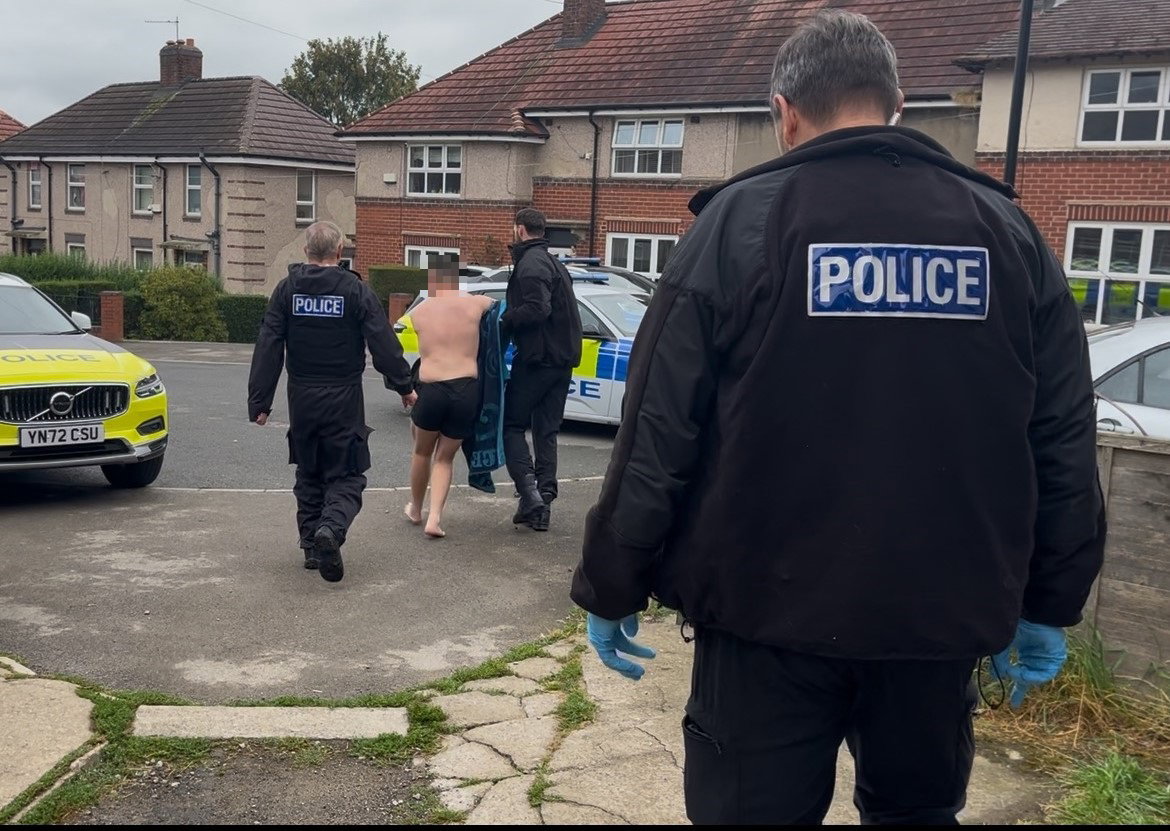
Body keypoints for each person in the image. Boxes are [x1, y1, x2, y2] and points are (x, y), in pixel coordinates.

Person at [572, 10, 1105, 826]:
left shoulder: (738, 225)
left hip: (762, 620)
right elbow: (1062, 434)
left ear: (784, 111)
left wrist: (614, 580)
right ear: (898, 104)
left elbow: (658, 433)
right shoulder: (1007, 234)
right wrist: (1049, 597)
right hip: (937, 620)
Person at [248, 221, 416, 583]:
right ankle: (331, 528)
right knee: (347, 473)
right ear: (340, 252)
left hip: (302, 397)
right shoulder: (355, 291)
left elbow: (268, 346)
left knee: (309, 470)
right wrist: (403, 384)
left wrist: (259, 402)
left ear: (306, 251)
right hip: (343, 396)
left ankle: (311, 545)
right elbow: (382, 341)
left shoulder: (286, 291)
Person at [501, 208, 583, 532]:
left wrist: (505, 319)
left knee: (511, 426)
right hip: (560, 362)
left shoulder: (532, 263)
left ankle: (529, 493)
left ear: (520, 230)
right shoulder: (553, 263)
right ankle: (541, 508)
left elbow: (538, 308)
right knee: (546, 431)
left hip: (539, 360)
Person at [405, 256, 493, 538]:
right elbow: (496, 306)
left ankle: (416, 509)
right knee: (444, 458)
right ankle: (436, 519)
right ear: (455, 278)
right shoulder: (475, 304)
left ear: (432, 280)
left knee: (421, 451)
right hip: (466, 389)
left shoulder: (419, 313)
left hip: (431, 389)